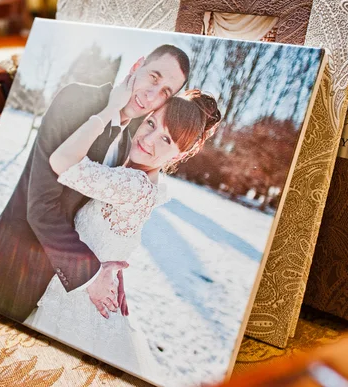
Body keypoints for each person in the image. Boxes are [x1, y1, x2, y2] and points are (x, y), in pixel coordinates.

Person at [0, 45, 190, 322]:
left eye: (165, 92)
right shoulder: (77, 99)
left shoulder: (130, 140)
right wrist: (93, 275)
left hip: (59, 290)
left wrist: (109, 272)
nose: (151, 95)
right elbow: (41, 207)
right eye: (153, 78)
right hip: (13, 272)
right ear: (137, 66)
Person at [25, 78, 222, 373]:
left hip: (77, 304)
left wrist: (108, 110)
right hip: (81, 290)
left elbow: (64, 162)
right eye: (152, 124)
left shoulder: (134, 185)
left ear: (180, 155)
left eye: (167, 140)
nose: (149, 139)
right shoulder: (136, 174)